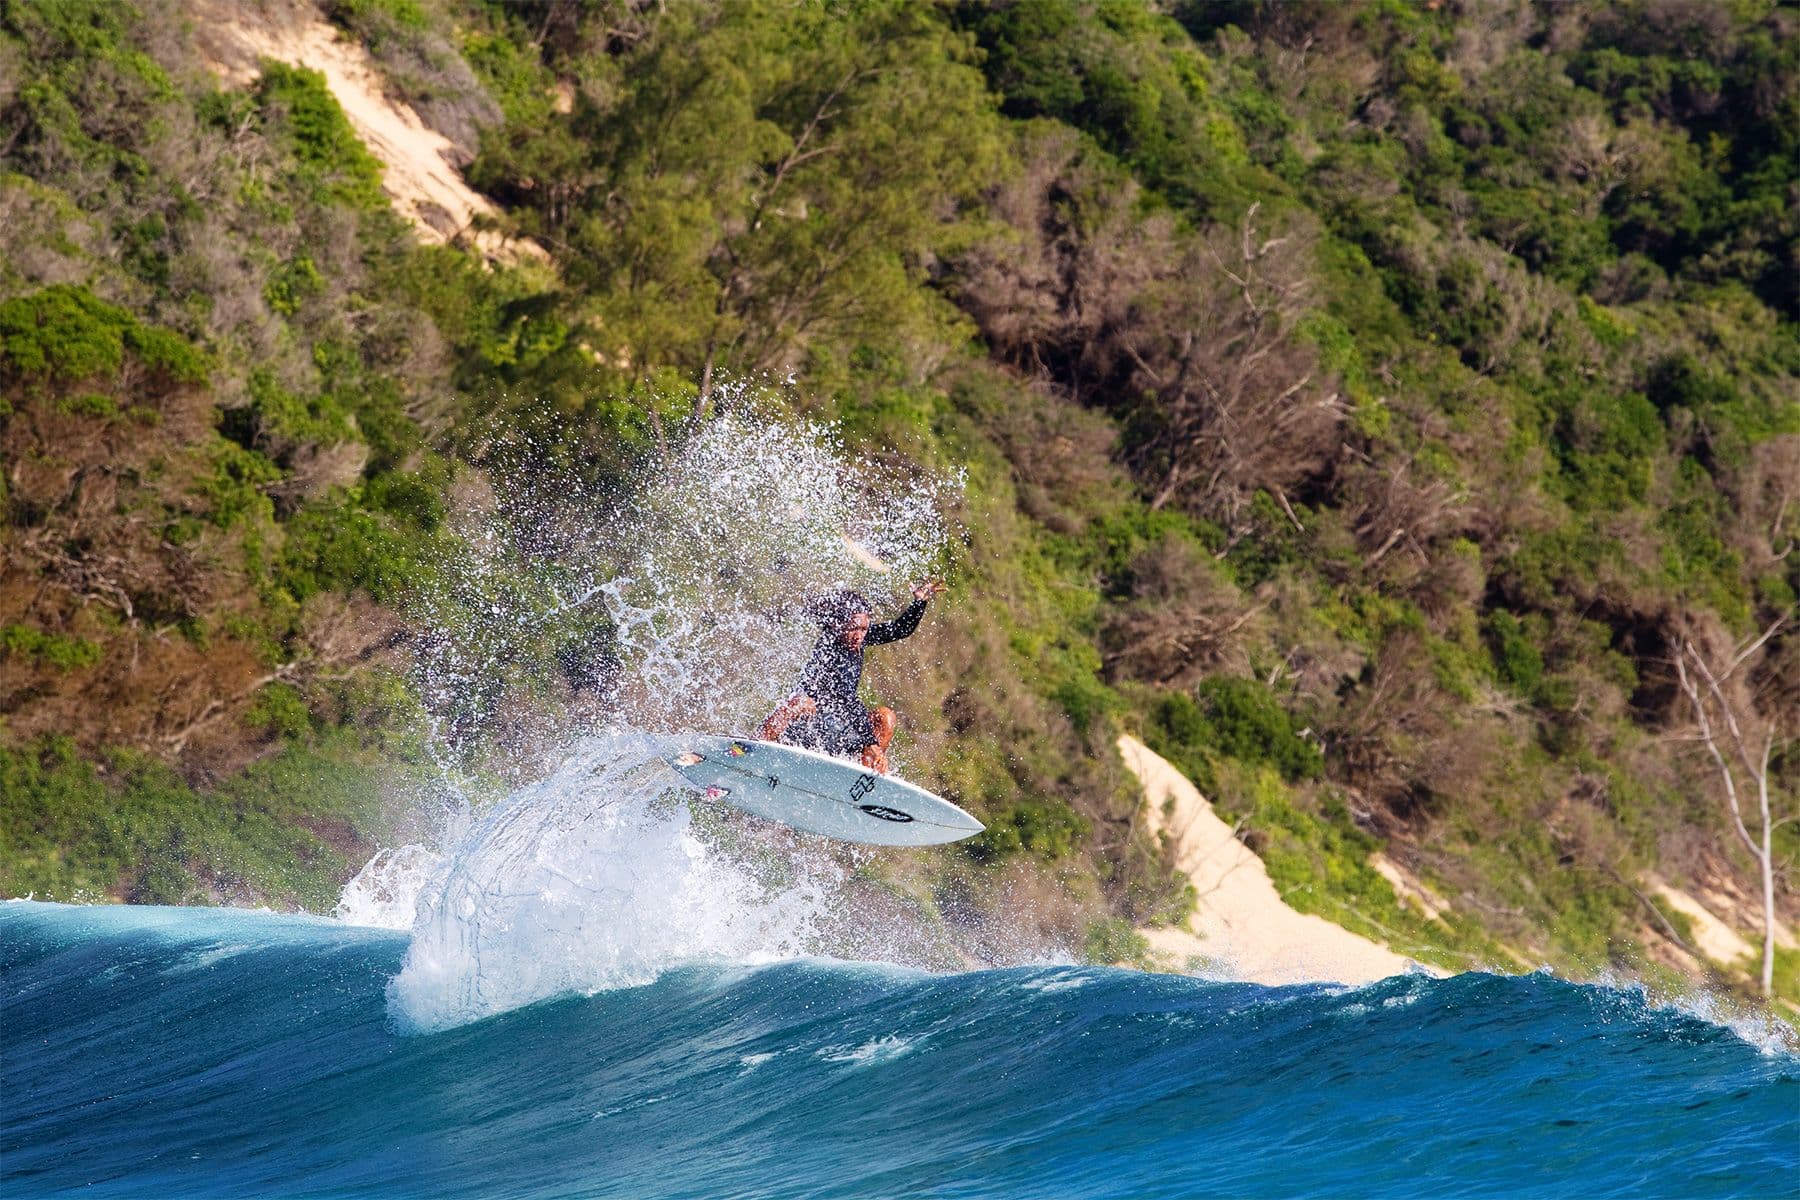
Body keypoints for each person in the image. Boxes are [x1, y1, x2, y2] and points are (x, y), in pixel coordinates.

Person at [758, 579, 946, 774]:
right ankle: (754, 748)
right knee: (800, 703)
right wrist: (870, 742)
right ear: (837, 625)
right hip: (807, 729)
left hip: (839, 730)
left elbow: (900, 629)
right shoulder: (829, 645)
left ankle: (863, 775)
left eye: (864, 629)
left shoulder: (859, 638)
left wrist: (919, 602)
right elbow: (845, 696)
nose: (859, 635)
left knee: (885, 717)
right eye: (853, 628)